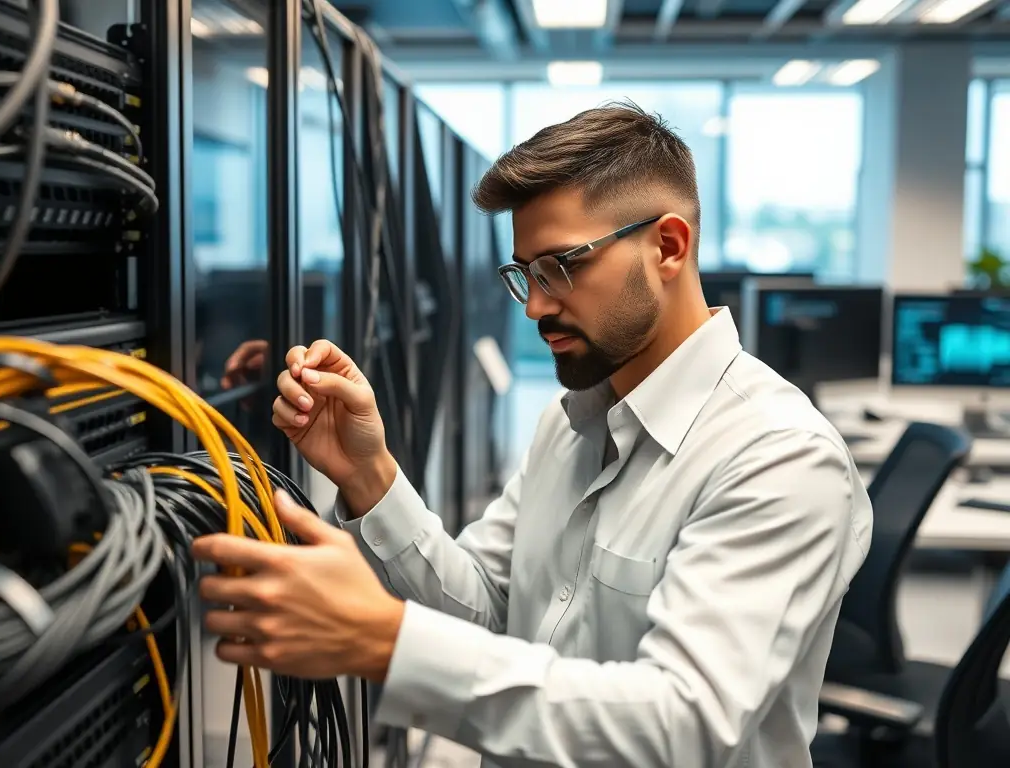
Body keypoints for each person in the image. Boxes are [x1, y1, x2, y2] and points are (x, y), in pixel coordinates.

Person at [193, 102, 873, 767]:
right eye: (525, 274)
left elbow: (683, 725)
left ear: (668, 246)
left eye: (563, 266)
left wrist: (384, 642)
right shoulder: (572, 421)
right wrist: (368, 474)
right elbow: (488, 611)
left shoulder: (778, 457)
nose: (538, 306)